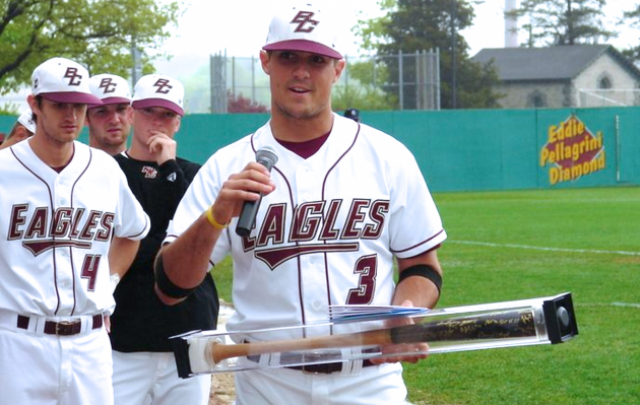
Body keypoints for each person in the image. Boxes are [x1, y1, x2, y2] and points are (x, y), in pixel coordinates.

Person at [155, 2, 446, 404]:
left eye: (317, 59)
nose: (302, 71)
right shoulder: (228, 165)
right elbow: (170, 286)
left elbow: (422, 268)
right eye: (288, 56)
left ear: (337, 68)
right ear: (266, 61)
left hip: (369, 380)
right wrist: (216, 216)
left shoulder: (387, 156)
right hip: (268, 383)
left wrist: (406, 310)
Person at [0, 57, 150, 405]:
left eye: (80, 105)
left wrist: (108, 282)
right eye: (59, 105)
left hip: (91, 344)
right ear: (34, 105)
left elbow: (132, 231)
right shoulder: (4, 169)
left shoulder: (105, 169)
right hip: (17, 342)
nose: (71, 116)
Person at [109, 73, 219, 405]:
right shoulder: (107, 170)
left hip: (186, 333)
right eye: (148, 111)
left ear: (178, 123)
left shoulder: (193, 174)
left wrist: (169, 167)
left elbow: (197, 241)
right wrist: (159, 247)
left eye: (167, 114)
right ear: (131, 114)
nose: (157, 121)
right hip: (124, 336)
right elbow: (113, 247)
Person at [86, 73, 133, 155]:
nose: (115, 120)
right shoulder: (72, 166)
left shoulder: (153, 165)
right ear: (85, 118)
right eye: (102, 112)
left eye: (121, 109)